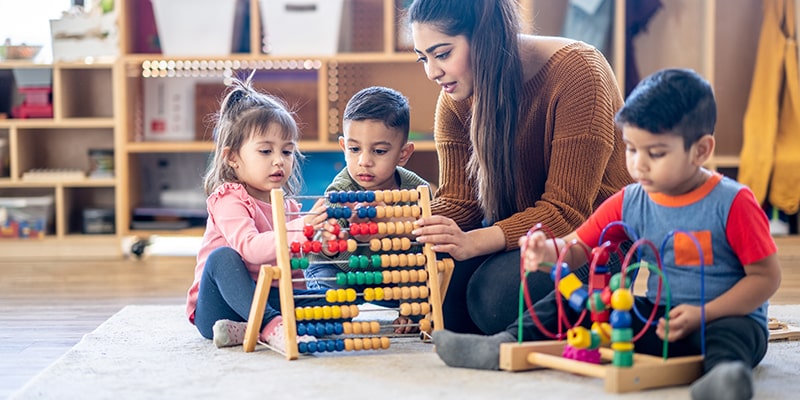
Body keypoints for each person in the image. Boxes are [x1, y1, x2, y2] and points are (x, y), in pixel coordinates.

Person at [432, 68, 782, 400]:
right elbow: (578, 247)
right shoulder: (630, 199)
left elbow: (765, 278)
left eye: (655, 153)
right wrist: (547, 250)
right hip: (657, 318)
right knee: (580, 301)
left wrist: (705, 314)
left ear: (701, 150)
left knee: (736, 336)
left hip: (723, 318)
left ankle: (723, 377)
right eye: (631, 149)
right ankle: (505, 343)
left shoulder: (733, 203)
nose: (638, 164)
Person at [406, 0, 633, 334]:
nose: (432, 72)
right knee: (428, 280)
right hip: (518, 238)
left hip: (591, 241)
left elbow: (567, 213)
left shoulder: (579, 72)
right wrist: (392, 221)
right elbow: (460, 203)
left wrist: (473, 244)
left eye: (442, 54)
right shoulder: (455, 97)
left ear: (484, 37)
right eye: (423, 58)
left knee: (494, 298)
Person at [185, 73, 334, 349]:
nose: (279, 160)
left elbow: (294, 262)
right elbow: (250, 249)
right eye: (266, 151)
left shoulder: (287, 206)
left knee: (336, 304)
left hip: (272, 296)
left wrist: (323, 236)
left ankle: (248, 329)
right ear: (232, 158)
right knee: (223, 257)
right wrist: (302, 228)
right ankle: (270, 326)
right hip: (221, 307)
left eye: (287, 152)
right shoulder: (228, 198)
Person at [304, 86, 429, 333]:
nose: (364, 161)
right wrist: (344, 239)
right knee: (331, 304)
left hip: (389, 278)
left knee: (425, 285)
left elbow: (420, 252)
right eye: (354, 149)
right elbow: (332, 254)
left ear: (403, 154)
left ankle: (410, 309)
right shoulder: (340, 191)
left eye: (379, 151)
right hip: (339, 270)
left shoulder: (417, 190)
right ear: (343, 146)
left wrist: (410, 303)